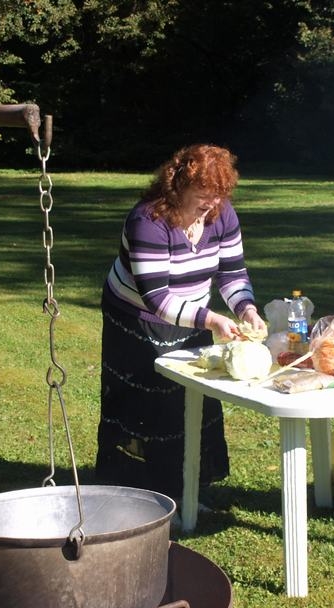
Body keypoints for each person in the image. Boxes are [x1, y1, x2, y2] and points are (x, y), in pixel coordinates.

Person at [95, 144, 266, 503]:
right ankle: (140, 493)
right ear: (177, 186)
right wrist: (212, 319)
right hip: (137, 319)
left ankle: (188, 487)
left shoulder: (222, 214)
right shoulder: (148, 221)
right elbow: (156, 298)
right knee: (151, 404)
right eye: (202, 194)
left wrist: (247, 309)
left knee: (193, 400)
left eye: (218, 194)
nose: (210, 202)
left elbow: (232, 273)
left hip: (191, 316)